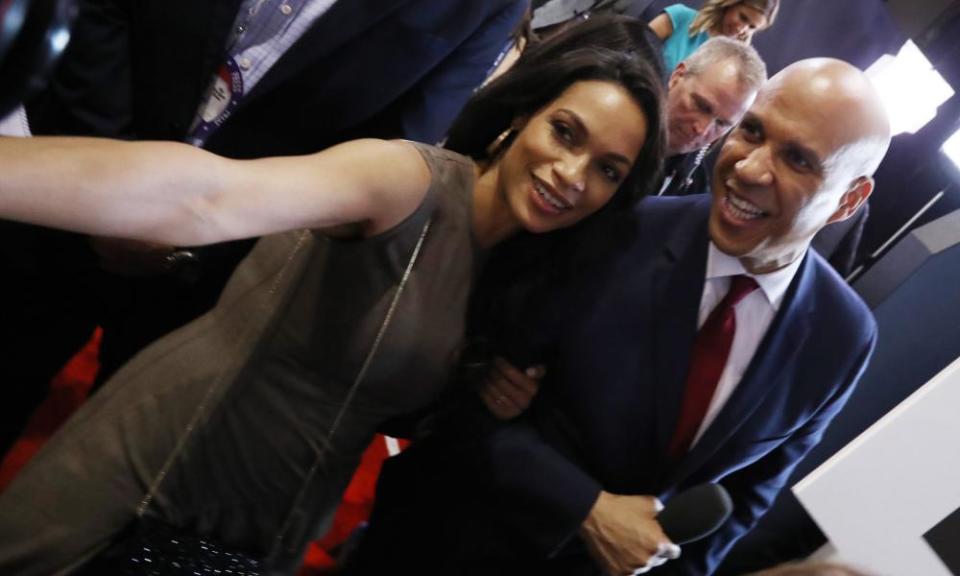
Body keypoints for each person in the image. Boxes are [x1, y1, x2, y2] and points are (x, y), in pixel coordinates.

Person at [0, 18, 667, 575]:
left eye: (608, 169)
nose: (571, 174)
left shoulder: (514, 274)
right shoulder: (404, 181)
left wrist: (482, 383)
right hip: (163, 463)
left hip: (265, 532)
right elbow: (207, 196)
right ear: (523, 114)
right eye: (566, 132)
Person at [348, 57, 890, 575]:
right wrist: (586, 508)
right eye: (751, 131)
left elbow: (743, 503)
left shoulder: (843, 338)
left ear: (849, 200)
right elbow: (465, 402)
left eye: (797, 159)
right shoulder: (616, 229)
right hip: (446, 544)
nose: (748, 168)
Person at [0, 0, 530, 456]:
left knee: (100, 472)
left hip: (210, 276)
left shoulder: (486, 7)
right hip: (62, 188)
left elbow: (384, 155)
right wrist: (112, 190)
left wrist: (197, 234)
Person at [650, 0, 779, 73]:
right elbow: (632, 47)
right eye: (743, 17)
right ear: (730, 4)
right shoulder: (680, 17)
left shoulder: (738, 65)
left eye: (752, 27)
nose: (742, 29)